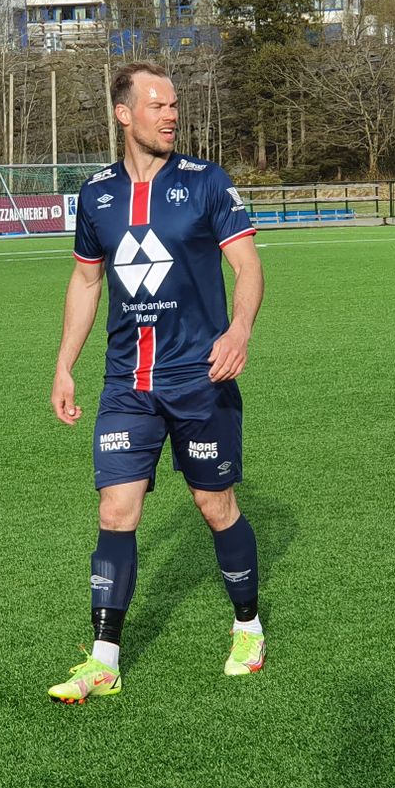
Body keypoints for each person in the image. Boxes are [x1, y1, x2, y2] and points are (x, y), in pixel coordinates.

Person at [46, 62, 266, 703]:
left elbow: (247, 266)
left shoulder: (206, 183)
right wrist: (64, 363)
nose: (171, 115)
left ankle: (248, 626)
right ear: (124, 114)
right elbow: (87, 280)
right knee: (115, 510)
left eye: (174, 106)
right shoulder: (96, 195)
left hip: (201, 377)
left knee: (213, 506)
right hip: (127, 384)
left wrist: (240, 329)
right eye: (158, 105)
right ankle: (103, 659)